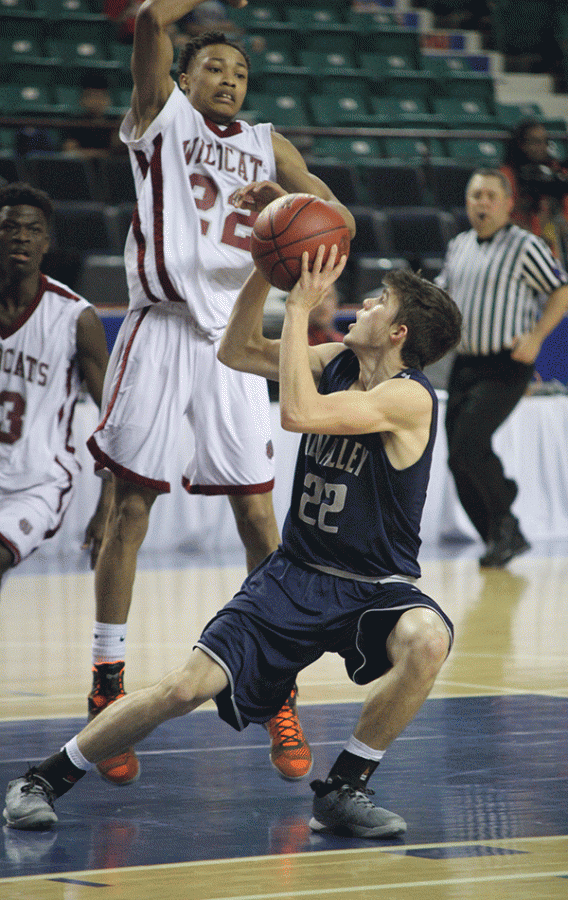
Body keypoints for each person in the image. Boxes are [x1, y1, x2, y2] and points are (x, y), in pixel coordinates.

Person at [2, 241, 463, 838]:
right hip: (294, 574)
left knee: (427, 639)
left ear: (397, 332)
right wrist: (261, 272)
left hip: (372, 587)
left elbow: (296, 413)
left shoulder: (409, 398)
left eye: (380, 302)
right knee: (183, 688)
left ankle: (346, 787)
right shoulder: (337, 363)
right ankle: (42, 779)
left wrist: (297, 308)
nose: (364, 303)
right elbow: (236, 349)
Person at [83, 0, 356, 790]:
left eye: (239, 72)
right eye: (215, 67)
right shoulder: (160, 116)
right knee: (130, 508)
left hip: (234, 343)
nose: (229, 79)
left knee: (259, 518)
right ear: (186, 77)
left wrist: (287, 203)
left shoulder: (270, 141)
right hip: (161, 330)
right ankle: (107, 682)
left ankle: (275, 686)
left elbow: (336, 219)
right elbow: (145, 23)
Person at [436, 168, 568, 568]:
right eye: (476, 195)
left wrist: (537, 337)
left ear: (508, 203)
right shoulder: (459, 245)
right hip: (465, 363)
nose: (483, 203)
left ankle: (505, 513)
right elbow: (443, 295)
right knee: (456, 458)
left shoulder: (525, 246)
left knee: (469, 444)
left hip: (506, 365)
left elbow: (561, 290)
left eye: (491, 196)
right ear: (467, 201)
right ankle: (498, 534)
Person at [0, 182, 110, 588]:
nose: (21, 237)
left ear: (46, 242)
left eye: (33, 229)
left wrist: (107, 504)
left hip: (37, 483)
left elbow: (113, 415)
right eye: (10, 227)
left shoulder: (75, 317)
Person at [500, 118, 568, 266]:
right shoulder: (506, 175)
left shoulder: (555, 175)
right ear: (521, 144)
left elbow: (561, 225)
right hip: (513, 254)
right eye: (536, 142)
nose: (542, 147)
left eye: (545, 142)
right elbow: (500, 219)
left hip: (549, 257)